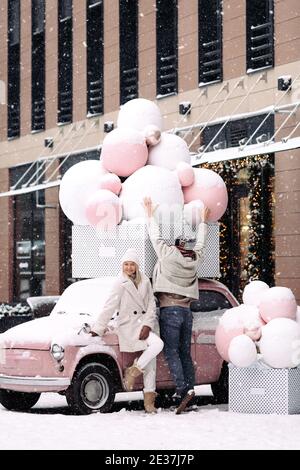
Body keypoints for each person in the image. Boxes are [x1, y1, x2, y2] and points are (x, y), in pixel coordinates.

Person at [143, 197, 210, 414]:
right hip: (186, 311)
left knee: (171, 352)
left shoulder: (169, 254)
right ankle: (189, 390)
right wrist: (202, 221)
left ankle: (182, 391)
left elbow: (155, 236)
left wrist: (150, 214)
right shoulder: (195, 259)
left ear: (177, 245)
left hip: (169, 309)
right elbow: (201, 244)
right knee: (183, 352)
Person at [90, 248, 164, 413]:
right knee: (156, 348)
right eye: (126, 264)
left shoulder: (145, 280)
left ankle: (147, 399)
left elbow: (151, 305)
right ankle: (134, 372)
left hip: (145, 325)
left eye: (132, 264)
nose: (129, 268)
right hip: (130, 326)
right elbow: (109, 306)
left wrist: (147, 325)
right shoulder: (120, 283)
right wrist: (98, 328)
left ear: (137, 266)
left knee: (154, 356)